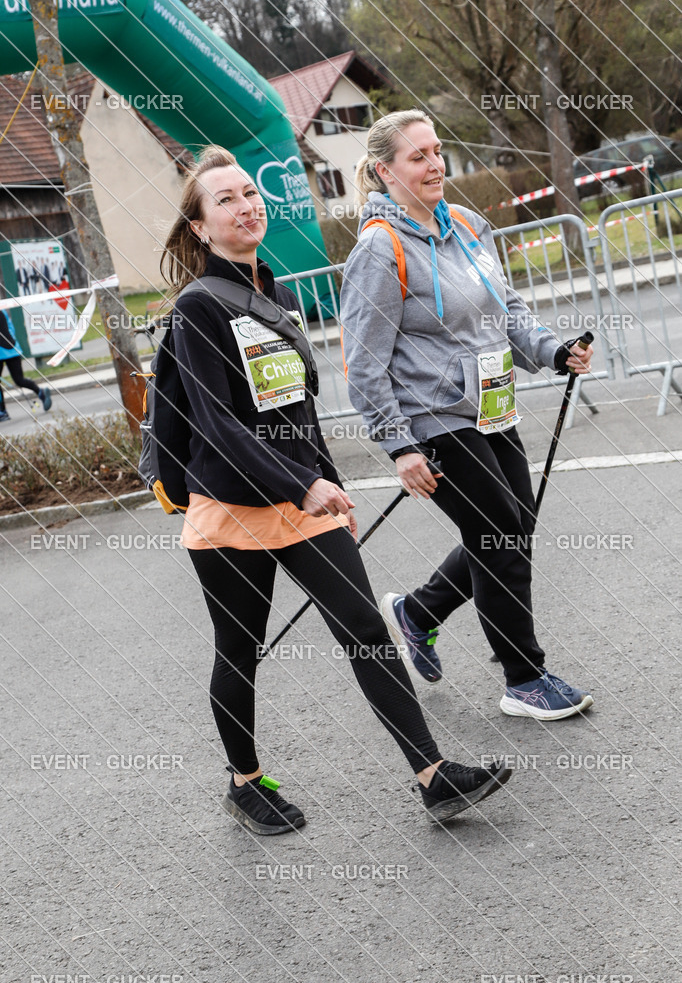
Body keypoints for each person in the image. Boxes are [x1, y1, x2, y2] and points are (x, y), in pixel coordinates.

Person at [159, 144, 512, 835]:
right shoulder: (197, 308)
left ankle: (432, 775)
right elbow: (217, 426)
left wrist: (331, 489)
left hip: (305, 499)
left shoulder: (275, 291)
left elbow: (300, 411)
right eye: (225, 199)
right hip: (234, 509)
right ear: (199, 227)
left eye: (250, 193)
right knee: (240, 646)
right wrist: (303, 483)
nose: (246, 205)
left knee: (366, 630)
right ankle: (244, 779)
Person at [340, 110, 594, 722]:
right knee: (501, 536)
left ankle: (419, 612)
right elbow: (365, 361)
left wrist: (550, 351)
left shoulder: (468, 226)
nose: (434, 165)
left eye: (437, 152)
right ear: (385, 171)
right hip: (434, 419)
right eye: (418, 157)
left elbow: (507, 308)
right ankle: (523, 677)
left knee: (508, 529)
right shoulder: (380, 248)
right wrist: (399, 446)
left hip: (491, 407)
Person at [0, 307, 51, 422]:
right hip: (13, 349)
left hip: (3, 350)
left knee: (18, 380)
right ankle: (40, 392)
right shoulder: (3, 309)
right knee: (19, 380)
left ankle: (2, 412)